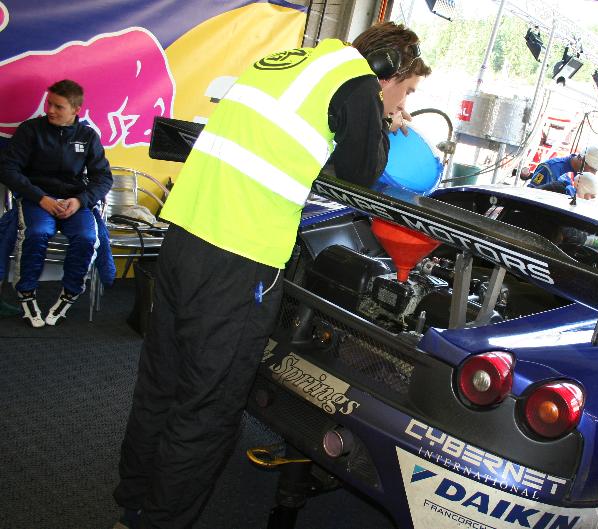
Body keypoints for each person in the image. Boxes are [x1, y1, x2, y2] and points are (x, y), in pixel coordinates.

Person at [112, 22, 430, 529]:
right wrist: (384, 121)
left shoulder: (288, 63)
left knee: (160, 384)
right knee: (208, 404)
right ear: (387, 69)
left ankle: (132, 502)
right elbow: (362, 171)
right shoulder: (356, 83)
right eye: (406, 91)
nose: (402, 102)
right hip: (238, 259)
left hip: (183, 239)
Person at [0, 79, 112, 327]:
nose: (50, 110)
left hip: (74, 202)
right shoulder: (31, 130)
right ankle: (26, 293)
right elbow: (7, 169)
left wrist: (80, 201)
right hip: (37, 200)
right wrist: (41, 198)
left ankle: (69, 294)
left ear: (75, 110)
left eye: (58, 106)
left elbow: (103, 178)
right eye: (49, 103)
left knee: (86, 237)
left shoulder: (88, 136)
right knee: (37, 233)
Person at [523, 144, 598, 187]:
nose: (593, 174)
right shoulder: (548, 169)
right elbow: (530, 195)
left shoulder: (580, 176)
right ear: (582, 160)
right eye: (592, 170)